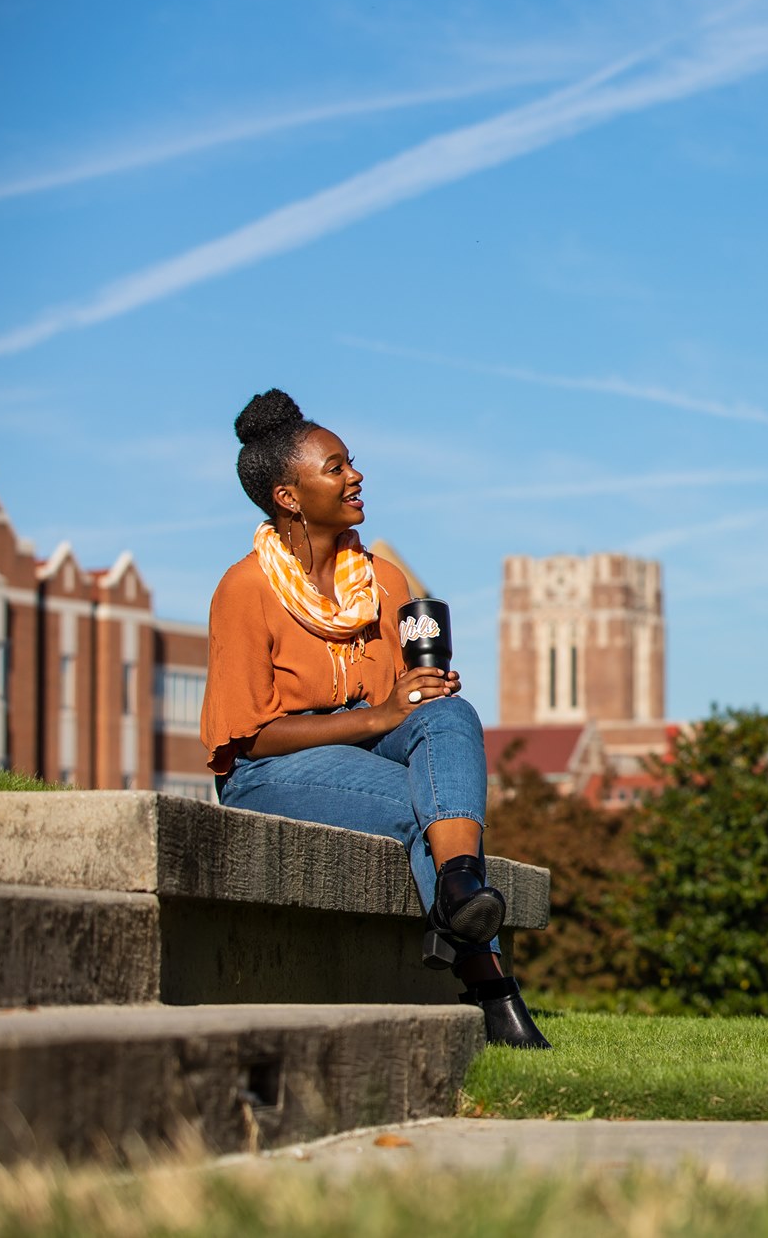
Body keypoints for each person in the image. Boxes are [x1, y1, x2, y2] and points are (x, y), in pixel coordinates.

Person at [199, 388, 549, 1049]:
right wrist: (378, 717)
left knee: (451, 714)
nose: (355, 475)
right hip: (272, 768)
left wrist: (421, 693)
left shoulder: (384, 580)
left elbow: (401, 714)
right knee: (436, 811)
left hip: (366, 748)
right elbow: (248, 736)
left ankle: (456, 891)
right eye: (335, 467)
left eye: (350, 462)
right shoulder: (244, 588)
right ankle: (492, 984)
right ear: (289, 495)